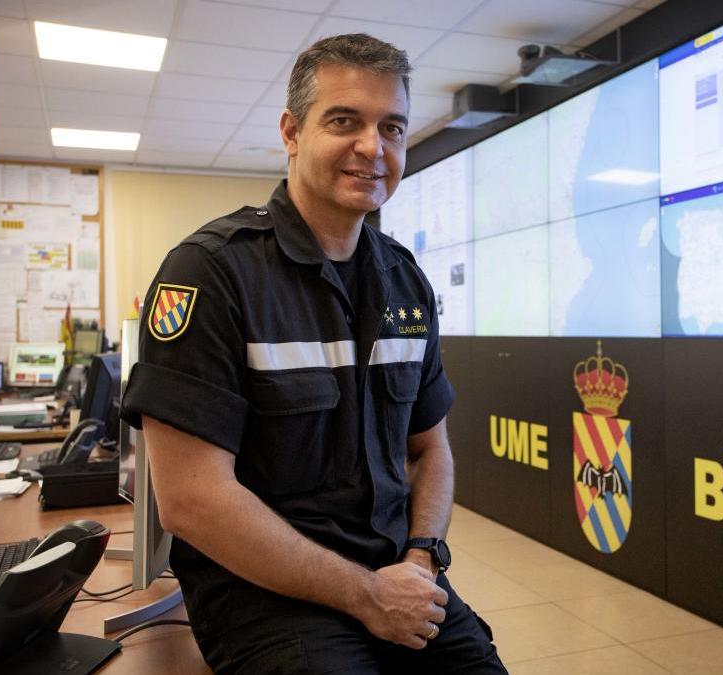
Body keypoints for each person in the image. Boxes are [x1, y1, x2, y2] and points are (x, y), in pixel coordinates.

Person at [121, 34, 506, 674]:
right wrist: (365, 595)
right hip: (263, 593)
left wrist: (420, 558)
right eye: (344, 121)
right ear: (292, 132)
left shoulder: (406, 282)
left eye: (392, 127)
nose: (372, 147)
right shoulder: (212, 273)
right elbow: (190, 500)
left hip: (395, 571)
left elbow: (430, 450)